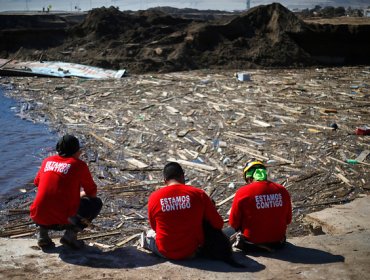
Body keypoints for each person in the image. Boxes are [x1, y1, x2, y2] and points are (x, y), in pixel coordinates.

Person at [30, 134, 103, 249]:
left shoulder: (47, 161)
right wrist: (79, 195)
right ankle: (70, 236)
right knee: (96, 203)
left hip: (39, 216)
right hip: (63, 220)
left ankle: (43, 236)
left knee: (43, 203)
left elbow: (37, 183)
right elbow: (92, 192)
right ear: (77, 151)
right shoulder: (79, 165)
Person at [141, 162, 224, 260]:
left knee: (149, 234)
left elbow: (155, 227)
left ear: (165, 181)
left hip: (165, 251)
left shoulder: (154, 197)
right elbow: (218, 224)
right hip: (192, 251)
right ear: (182, 176)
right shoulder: (199, 194)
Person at [227, 159, 292, 252]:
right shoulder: (282, 190)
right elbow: (288, 220)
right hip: (279, 243)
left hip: (252, 245)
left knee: (226, 233)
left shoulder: (243, 192)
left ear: (249, 178)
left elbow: (233, 223)